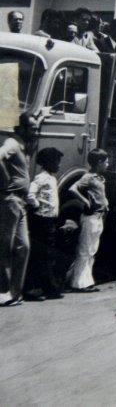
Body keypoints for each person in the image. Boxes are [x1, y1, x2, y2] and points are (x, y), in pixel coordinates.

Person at [0, 113, 38, 306]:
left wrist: (42, 115)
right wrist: (6, 178)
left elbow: (33, 121)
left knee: (24, 247)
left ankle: (15, 293)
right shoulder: (12, 144)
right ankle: (4, 292)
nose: (36, 132)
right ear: (21, 129)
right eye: (33, 128)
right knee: (5, 247)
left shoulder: (24, 145)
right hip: (10, 202)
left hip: (20, 203)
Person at [24, 147, 64, 301]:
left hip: (49, 220)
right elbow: (30, 194)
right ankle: (35, 288)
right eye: (56, 162)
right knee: (41, 255)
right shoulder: (41, 178)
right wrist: (35, 204)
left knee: (47, 254)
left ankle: (47, 287)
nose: (59, 165)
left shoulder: (52, 178)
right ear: (47, 163)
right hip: (41, 220)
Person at [67, 149, 109, 292]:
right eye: (106, 162)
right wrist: (85, 200)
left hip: (98, 217)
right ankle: (78, 283)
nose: (107, 164)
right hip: (90, 217)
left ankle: (85, 280)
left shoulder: (99, 178)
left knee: (91, 250)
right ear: (99, 162)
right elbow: (73, 188)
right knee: (85, 250)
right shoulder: (88, 177)